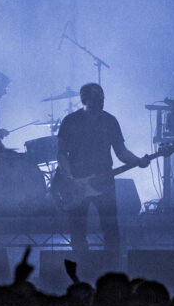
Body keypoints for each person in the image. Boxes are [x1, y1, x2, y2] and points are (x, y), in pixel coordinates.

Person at [56, 83, 147, 267]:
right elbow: (61, 153)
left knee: (111, 228)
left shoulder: (110, 121)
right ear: (84, 100)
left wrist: (138, 160)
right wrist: (70, 179)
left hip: (104, 183)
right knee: (78, 229)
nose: (100, 102)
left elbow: (121, 152)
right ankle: (82, 267)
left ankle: (111, 269)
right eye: (96, 98)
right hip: (77, 184)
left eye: (102, 98)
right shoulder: (70, 121)